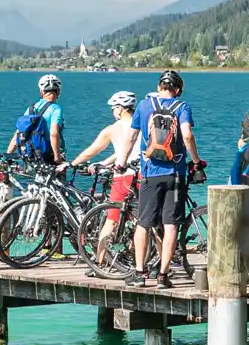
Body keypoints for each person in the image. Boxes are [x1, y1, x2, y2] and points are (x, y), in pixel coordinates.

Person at [129, 70, 200, 288]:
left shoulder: (143, 105)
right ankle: (162, 276)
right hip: (175, 173)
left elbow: (132, 136)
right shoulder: (182, 106)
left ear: (159, 87)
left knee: (143, 224)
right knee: (170, 226)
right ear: (177, 90)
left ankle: (140, 273)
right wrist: (196, 160)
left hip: (150, 173)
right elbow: (187, 135)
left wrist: (121, 161)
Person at [72, 90, 140, 256]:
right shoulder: (142, 125)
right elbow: (126, 149)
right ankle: (142, 261)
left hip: (123, 177)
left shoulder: (113, 129)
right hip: (141, 175)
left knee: (112, 219)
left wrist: (72, 163)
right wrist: (105, 163)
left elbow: (92, 150)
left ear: (120, 109)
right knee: (141, 221)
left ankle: (100, 260)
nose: (112, 112)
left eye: (113, 108)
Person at [10, 74, 66, 164]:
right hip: (49, 154)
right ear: (58, 91)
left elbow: (18, 133)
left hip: (32, 154)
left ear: (41, 91)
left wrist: (8, 155)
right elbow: (53, 133)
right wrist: (57, 157)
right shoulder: (56, 108)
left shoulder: (31, 108)